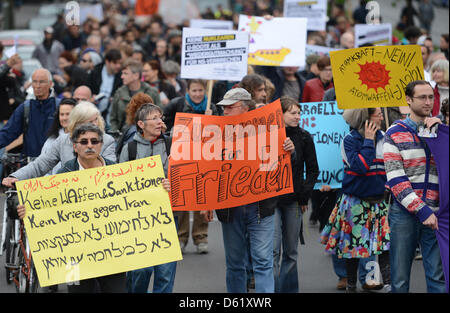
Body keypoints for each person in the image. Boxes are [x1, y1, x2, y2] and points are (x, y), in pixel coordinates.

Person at [202, 88, 295, 293]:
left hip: (261, 208)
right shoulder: (216, 131)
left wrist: (289, 150)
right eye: (223, 107)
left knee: (263, 261)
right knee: (235, 263)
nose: (224, 111)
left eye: (230, 107)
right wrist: (207, 202)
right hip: (230, 208)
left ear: (245, 107)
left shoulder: (268, 129)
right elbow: (209, 167)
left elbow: (284, 166)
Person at [16, 123, 125, 293]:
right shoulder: (64, 174)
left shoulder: (117, 171)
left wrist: (161, 187)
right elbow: (46, 206)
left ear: (101, 145)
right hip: (74, 255)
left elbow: (138, 198)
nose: (90, 145)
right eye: (84, 142)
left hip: (113, 252)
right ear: (75, 146)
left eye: (94, 141)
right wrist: (28, 211)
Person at [384, 80, 446, 293]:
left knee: (438, 278)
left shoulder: (441, 131)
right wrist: (422, 210)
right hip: (404, 214)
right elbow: (396, 180)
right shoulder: (394, 133)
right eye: (422, 97)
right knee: (400, 279)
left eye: (431, 97)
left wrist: (441, 134)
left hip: (437, 213)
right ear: (408, 100)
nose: (428, 102)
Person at [320, 107, 390, 292]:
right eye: (378, 113)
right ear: (366, 119)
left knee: (381, 245)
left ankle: (385, 284)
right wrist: (368, 141)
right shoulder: (349, 140)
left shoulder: (384, 138)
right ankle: (351, 285)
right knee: (354, 248)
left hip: (378, 201)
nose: (382, 116)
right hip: (356, 202)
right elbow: (360, 167)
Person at [119, 103, 175, 293]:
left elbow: (184, 177)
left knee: (165, 274)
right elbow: (120, 185)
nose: (160, 122)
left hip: (166, 216)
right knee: (141, 270)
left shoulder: (171, 145)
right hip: (138, 220)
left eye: (161, 118)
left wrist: (171, 184)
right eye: (155, 118)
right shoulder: (130, 148)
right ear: (141, 124)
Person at [2, 101, 116, 187]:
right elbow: (40, 164)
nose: (94, 124)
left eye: (96, 120)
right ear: (77, 123)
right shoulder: (62, 141)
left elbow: (110, 171)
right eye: (90, 121)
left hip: (98, 193)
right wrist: (16, 176)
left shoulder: (107, 140)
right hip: (68, 194)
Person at [273, 96, 319, 293]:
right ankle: (271, 290)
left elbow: (313, 169)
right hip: (272, 201)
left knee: (291, 251)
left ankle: (289, 290)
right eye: (292, 112)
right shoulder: (269, 136)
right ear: (280, 114)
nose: (297, 116)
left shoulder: (304, 137)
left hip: (293, 201)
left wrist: (303, 195)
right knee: (273, 251)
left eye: (299, 113)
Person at [0, 68, 60, 158]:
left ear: (50, 84)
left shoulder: (60, 107)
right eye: (34, 82)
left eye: (42, 82)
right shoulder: (25, 108)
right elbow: (8, 133)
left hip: (55, 165)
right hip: (30, 165)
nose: (37, 86)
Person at [110, 59, 161, 132]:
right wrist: (116, 134)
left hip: (147, 134)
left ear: (136, 76)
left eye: (125, 73)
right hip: (122, 134)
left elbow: (159, 115)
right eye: (122, 73)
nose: (122, 76)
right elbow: (113, 118)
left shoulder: (152, 92)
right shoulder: (119, 92)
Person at [40, 97, 77, 175]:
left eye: (68, 114)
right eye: (62, 114)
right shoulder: (51, 140)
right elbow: (43, 167)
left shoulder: (86, 138)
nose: (64, 118)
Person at [87, 48, 123, 120]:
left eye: (120, 63)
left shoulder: (121, 76)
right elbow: (88, 87)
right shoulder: (95, 72)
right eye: (115, 63)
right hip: (94, 103)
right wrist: (91, 96)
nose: (118, 66)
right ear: (107, 62)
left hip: (111, 107)